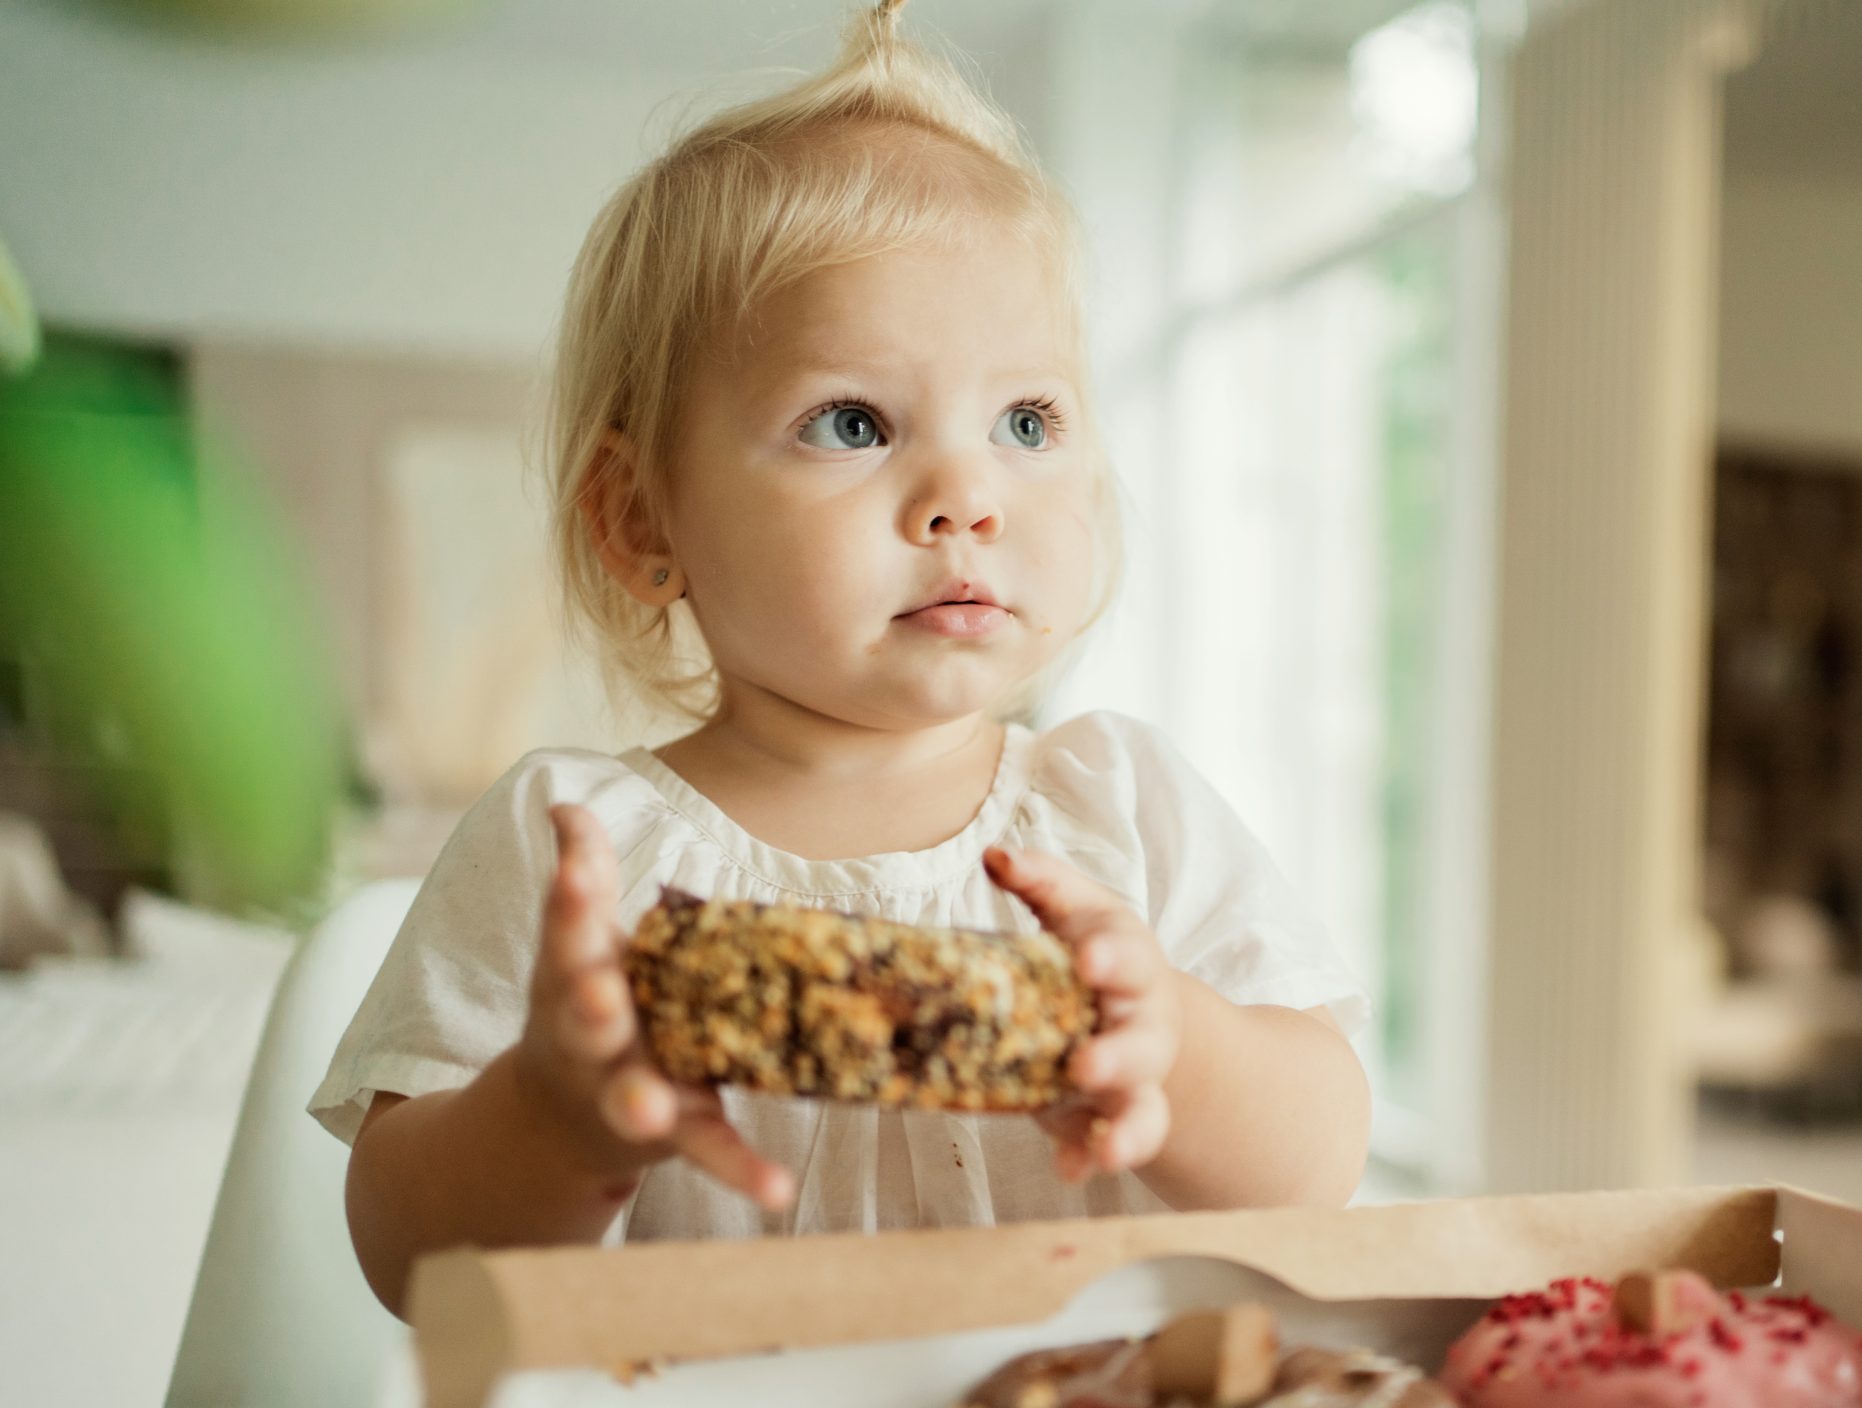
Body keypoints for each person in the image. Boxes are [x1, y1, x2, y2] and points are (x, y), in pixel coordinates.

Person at [315, 0, 1372, 1317]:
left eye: (1029, 418)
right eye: (856, 421)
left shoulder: (1122, 814)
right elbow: (405, 1261)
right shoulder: (575, 847)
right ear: (643, 517)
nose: (967, 495)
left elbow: (1324, 1157)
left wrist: (1187, 1051)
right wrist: (552, 1116)